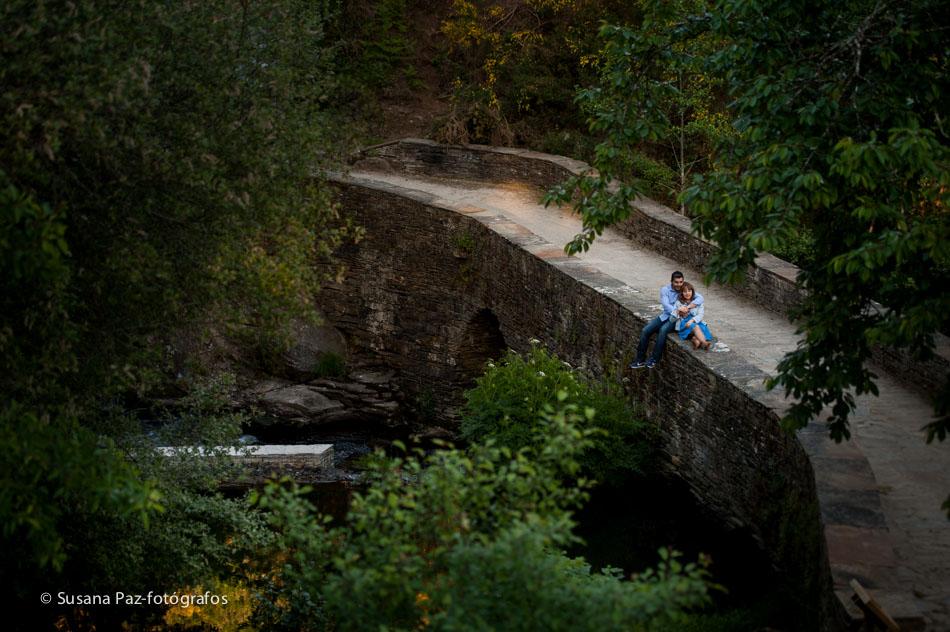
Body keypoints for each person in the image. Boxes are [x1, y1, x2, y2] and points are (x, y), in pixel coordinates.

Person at [629, 271, 703, 369]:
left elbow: (700, 298)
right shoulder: (665, 290)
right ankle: (640, 360)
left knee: (663, 330)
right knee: (645, 330)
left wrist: (688, 307)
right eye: (676, 282)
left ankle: (654, 359)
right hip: (666, 316)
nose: (679, 284)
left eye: (681, 282)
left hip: (677, 319)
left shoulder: (684, 288)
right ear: (671, 281)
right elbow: (666, 305)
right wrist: (678, 310)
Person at [673, 282, 714, 350]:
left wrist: (692, 320)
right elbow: (673, 316)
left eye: (689, 291)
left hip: (696, 321)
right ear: (682, 293)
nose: (687, 293)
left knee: (698, 327)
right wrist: (678, 311)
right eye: (685, 291)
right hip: (684, 324)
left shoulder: (698, 302)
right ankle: (704, 343)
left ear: (692, 292)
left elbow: (700, 314)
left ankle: (695, 340)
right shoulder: (678, 302)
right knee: (695, 327)